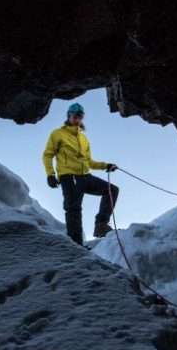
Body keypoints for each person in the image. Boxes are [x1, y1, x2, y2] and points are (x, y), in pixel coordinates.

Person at [42, 102, 119, 245]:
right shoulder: (58, 134)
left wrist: (106, 166)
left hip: (85, 176)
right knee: (73, 209)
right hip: (69, 176)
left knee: (111, 190)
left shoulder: (83, 138)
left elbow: (89, 161)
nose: (77, 118)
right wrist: (50, 174)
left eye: (80, 116)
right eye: (75, 115)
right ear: (69, 116)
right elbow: (47, 155)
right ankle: (76, 245)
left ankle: (101, 225)